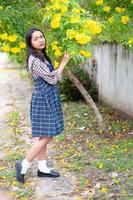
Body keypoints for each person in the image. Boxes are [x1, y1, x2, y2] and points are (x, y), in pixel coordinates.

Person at [15, 27, 70, 183]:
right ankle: (24, 164)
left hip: (48, 99)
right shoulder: (35, 60)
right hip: (44, 101)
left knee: (45, 135)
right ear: (30, 43)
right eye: (36, 38)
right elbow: (53, 79)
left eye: (41, 37)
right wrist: (63, 63)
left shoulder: (41, 57)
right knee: (47, 136)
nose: (40, 40)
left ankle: (43, 168)